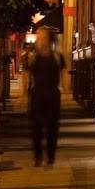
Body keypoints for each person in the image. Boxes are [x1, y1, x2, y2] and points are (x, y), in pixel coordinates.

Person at [23, 28, 65, 168]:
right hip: (37, 95)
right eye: (38, 37)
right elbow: (26, 73)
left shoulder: (57, 57)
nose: (40, 40)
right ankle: (38, 157)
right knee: (36, 128)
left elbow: (63, 72)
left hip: (53, 95)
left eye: (42, 37)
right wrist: (24, 92)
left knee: (52, 128)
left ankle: (50, 157)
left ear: (49, 39)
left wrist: (65, 89)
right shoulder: (33, 58)